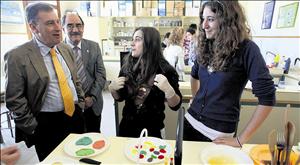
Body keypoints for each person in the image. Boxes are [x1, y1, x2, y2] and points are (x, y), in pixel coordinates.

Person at [184, 1, 276, 147]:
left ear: (227, 20)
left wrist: (241, 140)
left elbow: (268, 97)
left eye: (211, 19)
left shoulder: (247, 49)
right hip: (189, 122)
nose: (204, 25)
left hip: (218, 135)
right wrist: (196, 98)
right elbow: (194, 75)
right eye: (203, 19)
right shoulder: (206, 45)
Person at [4, 2, 85, 161]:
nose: (57, 27)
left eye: (57, 21)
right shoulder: (17, 56)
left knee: (77, 158)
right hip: (45, 124)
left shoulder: (65, 49)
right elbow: (14, 100)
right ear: (33, 27)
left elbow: (75, 80)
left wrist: (80, 103)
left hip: (74, 117)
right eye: (49, 23)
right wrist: (33, 127)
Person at [108, 27, 182, 138]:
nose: (132, 44)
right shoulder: (127, 67)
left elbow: (175, 105)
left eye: (137, 39)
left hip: (153, 131)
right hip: (127, 129)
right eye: (132, 39)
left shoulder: (166, 70)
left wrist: (169, 91)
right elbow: (120, 97)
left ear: (150, 43)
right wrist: (112, 89)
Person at [62, 11, 106, 133]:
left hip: (94, 103)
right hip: (71, 106)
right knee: (74, 139)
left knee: (95, 136)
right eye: (70, 25)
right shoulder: (58, 50)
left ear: (83, 27)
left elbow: (101, 75)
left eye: (79, 25)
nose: (75, 29)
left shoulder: (94, 46)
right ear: (63, 28)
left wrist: (92, 97)